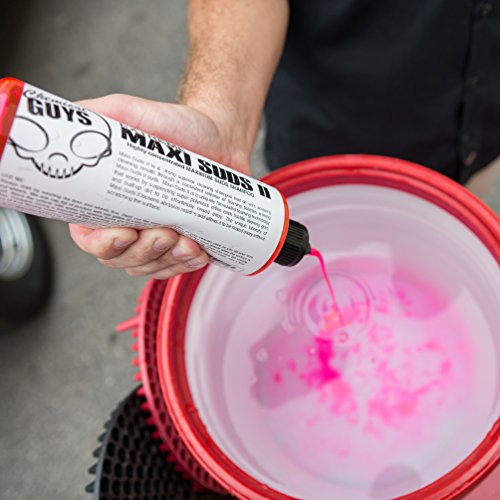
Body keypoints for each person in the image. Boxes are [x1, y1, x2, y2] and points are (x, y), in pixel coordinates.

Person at [70, 0, 500, 279]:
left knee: (451, 226)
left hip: (487, 124)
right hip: (334, 136)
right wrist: (220, 118)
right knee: (349, 244)